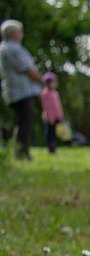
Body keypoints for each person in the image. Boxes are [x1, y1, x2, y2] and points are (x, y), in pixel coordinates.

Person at [0, 20, 44, 161]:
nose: (22, 34)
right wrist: (43, 82)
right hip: (22, 92)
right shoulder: (13, 49)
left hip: (12, 92)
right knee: (25, 123)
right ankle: (22, 152)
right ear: (13, 33)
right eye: (20, 31)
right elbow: (27, 69)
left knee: (20, 122)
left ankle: (19, 151)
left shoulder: (4, 48)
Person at [39, 72, 63, 154]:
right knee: (50, 133)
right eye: (53, 82)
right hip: (49, 118)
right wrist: (50, 117)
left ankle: (54, 148)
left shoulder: (55, 93)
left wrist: (60, 115)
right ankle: (51, 149)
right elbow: (46, 107)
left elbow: (58, 105)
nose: (55, 83)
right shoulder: (45, 93)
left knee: (55, 133)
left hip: (56, 117)